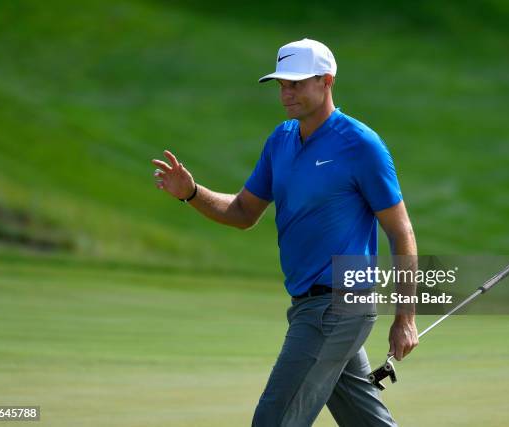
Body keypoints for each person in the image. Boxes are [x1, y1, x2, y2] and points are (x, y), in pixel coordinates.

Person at [152, 38, 418, 427]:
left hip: (337, 306)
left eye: (296, 83)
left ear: (326, 81)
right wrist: (191, 193)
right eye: (281, 84)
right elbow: (243, 212)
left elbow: (401, 231)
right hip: (309, 306)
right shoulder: (280, 140)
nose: (286, 93)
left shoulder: (360, 144)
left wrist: (405, 317)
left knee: (273, 421)